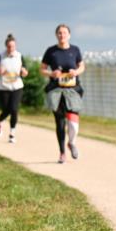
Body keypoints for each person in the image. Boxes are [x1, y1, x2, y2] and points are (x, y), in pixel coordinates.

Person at [40, 24, 84, 164]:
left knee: (73, 123)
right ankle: (62, 153)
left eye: (64, 33)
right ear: (56, 35)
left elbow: (82, 66)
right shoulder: (51, 51)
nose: (62, 35)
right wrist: (51, 73)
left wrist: (76, 72)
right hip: (56, 90)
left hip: (72, 90)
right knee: (60, 122)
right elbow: (42, 69)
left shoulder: (75, 50)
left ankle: (71, 143)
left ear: (69, 35)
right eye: (59, 33)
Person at [0, 34, 28, 143]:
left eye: (13, 46)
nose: (11, 48)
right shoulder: (0, 57)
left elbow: (25, 72)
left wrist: (24, 72)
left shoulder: (20, 56)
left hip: (17, 87)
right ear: (6, 46)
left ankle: (12, 133)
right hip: (3, 87)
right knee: (6, 109)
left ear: (15, 46)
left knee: (14, 109)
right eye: (9, 46)